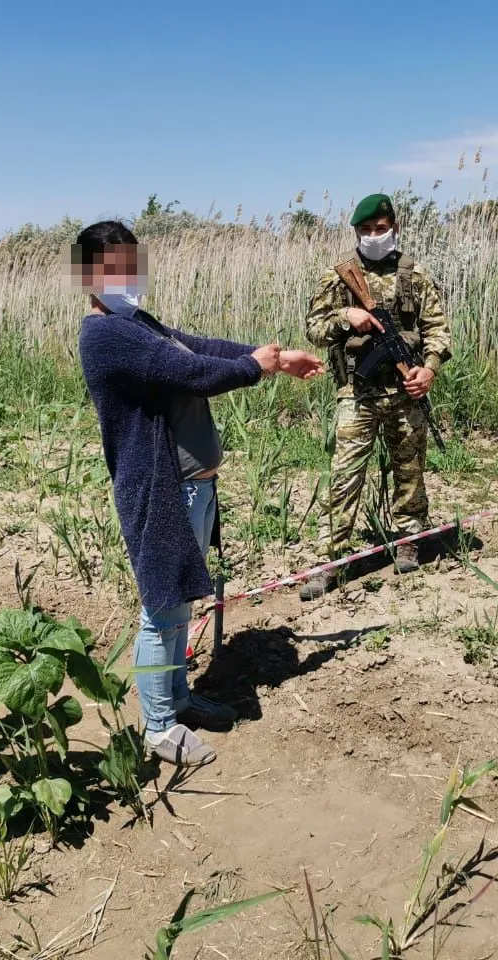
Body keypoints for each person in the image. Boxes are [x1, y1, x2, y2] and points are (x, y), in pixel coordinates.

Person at [73, 220, 323, 768]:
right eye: (114, 266)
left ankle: (178, 698)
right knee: (162, 607)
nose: (128, 275)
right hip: (162, 490)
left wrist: (272, 359)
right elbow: (189, 371)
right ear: (89, 275)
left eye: (132, 263)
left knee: (180, 601)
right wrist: (252, 369)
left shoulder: (138, 322)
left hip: (192, 488)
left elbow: (198, 346)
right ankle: (159, 728)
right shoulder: (107, 335)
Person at [299, 194, 452, 601]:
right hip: (357, 392)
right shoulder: (337, 276)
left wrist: (428, 370)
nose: (372, 237)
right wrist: (345, 317)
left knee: (410, 469)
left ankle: (409, 540)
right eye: (365, 231)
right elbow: (313, 328)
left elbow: (438, 329)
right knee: (345, 475)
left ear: (394, 227)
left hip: (405, 391)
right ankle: (330, 559)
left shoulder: (414, 274)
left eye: (380, 229)